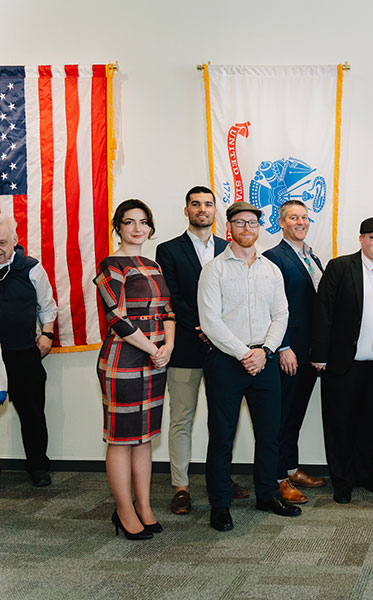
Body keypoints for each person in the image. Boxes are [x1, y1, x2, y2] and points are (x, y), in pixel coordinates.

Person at [198, 201, 300, 531]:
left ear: (259, 228)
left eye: (252, 223)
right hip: (226, 362)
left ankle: (267, 494)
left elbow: (281, 314)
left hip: (264, 361)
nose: (246, 228)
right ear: (228, 227)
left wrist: (265, 350)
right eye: (240, 222)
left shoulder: (270, 269)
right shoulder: (214, 270)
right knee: (222, 436)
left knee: (270, 434)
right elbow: (210, 321)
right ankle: (220, 504)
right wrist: (245, 353)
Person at [155, 186, 249, 516]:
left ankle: (219, 480)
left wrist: (218, 331)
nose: (202, 209)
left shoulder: (228, 248)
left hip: (224, 350)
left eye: (208, 204)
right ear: (187, 210)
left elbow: (236, 298)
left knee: (222, 421)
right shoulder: (168, 250)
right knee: (182, 418)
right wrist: (203, 326)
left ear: (215, 210)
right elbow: (171, 296)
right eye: (195, 204)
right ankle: (180, 486)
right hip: (186, 346)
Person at [94, 199, 175, 540]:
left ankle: (144, 506)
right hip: (123, 361)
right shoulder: (111, 265)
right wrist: (154, 349)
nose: (137, 228)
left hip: (155, 361)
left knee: (144, 437)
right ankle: (124, 510)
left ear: (150, 228)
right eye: (129, 222)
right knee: (121, 438)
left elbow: (167, 311)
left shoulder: (153, 265)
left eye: (143, 222)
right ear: (118, 227)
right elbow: (117, 318)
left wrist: (167, 347)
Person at [310, 217, 373, 504]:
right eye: (372, 237)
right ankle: (342, 480)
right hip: (344, 362)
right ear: (361, 239)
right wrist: (319, 354)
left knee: (369, 421)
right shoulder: (340, 267)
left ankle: (364, 473)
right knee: (339, 423)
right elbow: (323, 311)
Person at [263, 200, 327, 505]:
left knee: (295, 415)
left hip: (308, 352)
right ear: (281, 222)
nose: (300, 222)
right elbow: (273, 307)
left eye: (304, 217)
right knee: (281, 416)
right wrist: (284, 346)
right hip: (287, 352)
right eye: (293, 217)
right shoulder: (273, 257)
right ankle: (277, 479)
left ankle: (290, 468)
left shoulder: (312, 257)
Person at [0, 214, 57, 487]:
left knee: (32, 412)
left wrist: (47, 334)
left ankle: (38, 466)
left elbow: (47, 305)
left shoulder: (31, 268)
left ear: (15, 240)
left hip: (23, 352)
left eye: (1, 242)